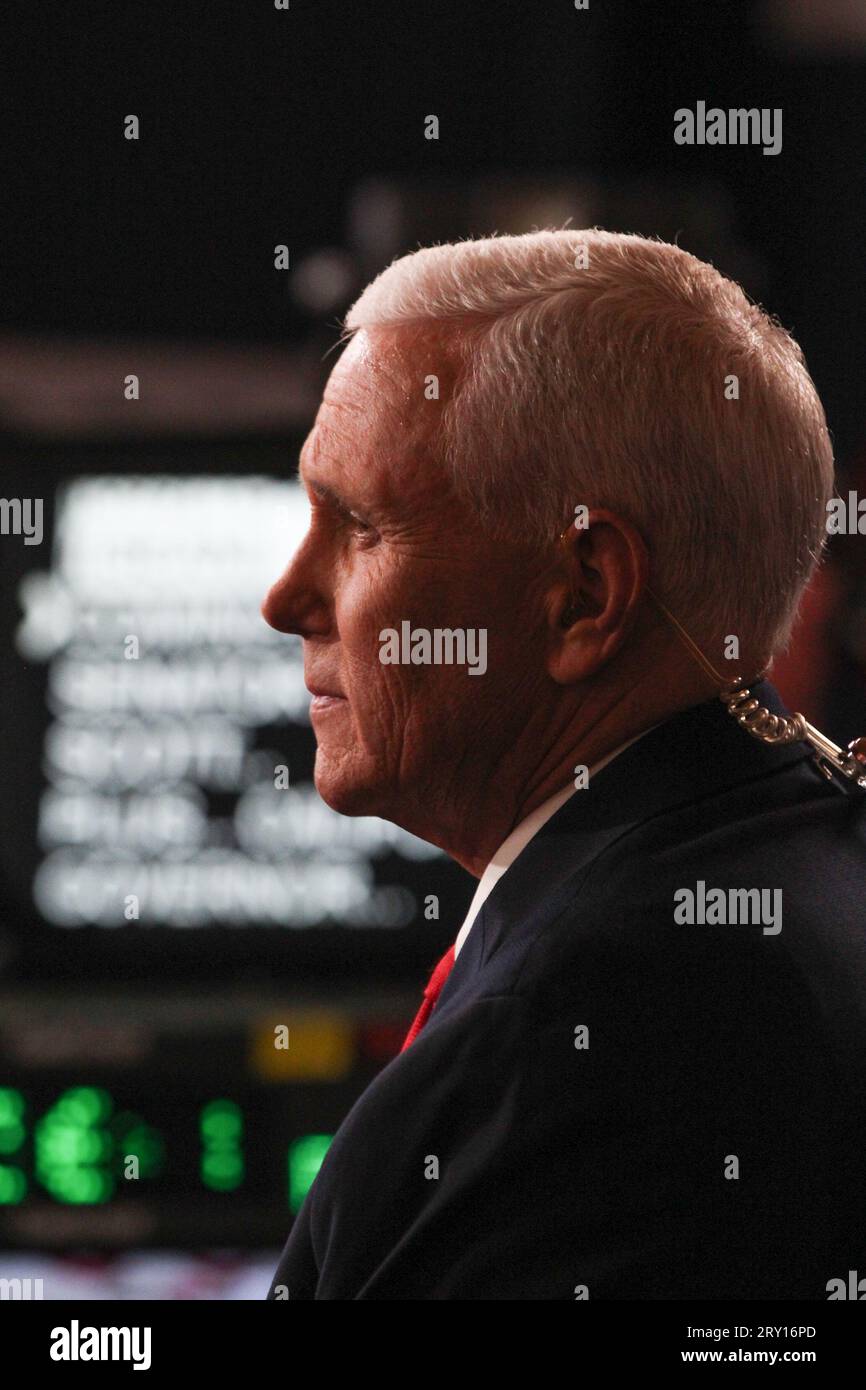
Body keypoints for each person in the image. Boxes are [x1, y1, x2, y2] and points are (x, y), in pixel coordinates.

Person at [261, 229, 866, 1299]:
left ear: (585, 593)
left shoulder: (566, 1058)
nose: (286, 596)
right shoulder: (801, 846)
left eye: (357, 526)